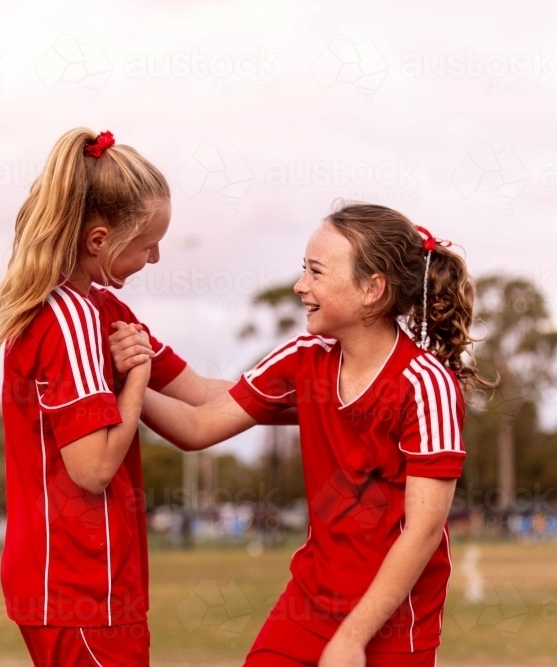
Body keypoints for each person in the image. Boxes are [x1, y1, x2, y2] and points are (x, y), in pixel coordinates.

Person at [141, 203, 491, 666]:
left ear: (372, 289)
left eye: (316, 272)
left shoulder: (426, 386)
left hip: (392, 618)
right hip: (309, 604)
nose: (300, 285)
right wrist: (125, 378)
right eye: (303, 269)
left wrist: (352, 638)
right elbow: (199, 421)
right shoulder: (306, 355)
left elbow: (424, 531)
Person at [0, 128, 230, 667]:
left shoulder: (104, 313)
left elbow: (207, 396)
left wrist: (330, 383)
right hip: (78, 586)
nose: (158, 257)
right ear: (99, 241)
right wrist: (136, 379)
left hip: (94, 590)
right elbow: (92, 468)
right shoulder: (66, 319)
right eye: (147, 246)